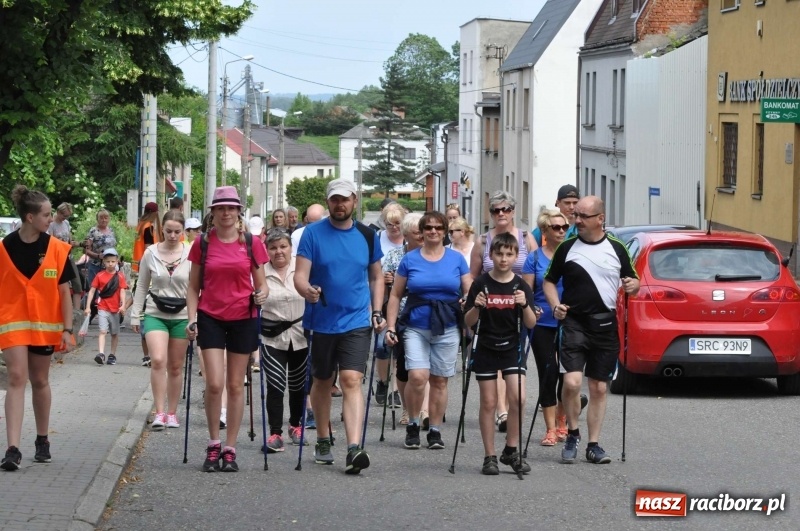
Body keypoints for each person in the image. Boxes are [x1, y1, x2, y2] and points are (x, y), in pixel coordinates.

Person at [294, 178, 385, 475]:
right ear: (328, 201)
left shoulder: (367, 235)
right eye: (334, 200)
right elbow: (300, 275)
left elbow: (375, 276)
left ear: (355, 201)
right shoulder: (312, 233)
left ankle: (353, 447)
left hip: (357, 319)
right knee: (321, 380)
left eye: (345, 199)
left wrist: (376, 309)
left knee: (350, 379)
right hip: (321, 320)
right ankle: (322, 437)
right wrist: (307, 290)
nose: (339, 204)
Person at [543, 195, 639, 465]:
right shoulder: (567, 248)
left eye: (584, 216)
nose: (578, 220)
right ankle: (572, 432)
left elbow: (633, 280)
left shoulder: (617, 248)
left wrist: (634, 285)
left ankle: (594, 444)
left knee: (598, 387)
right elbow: (549, 282)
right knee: (572, 382)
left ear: (600, 219)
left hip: (605, 324)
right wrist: (555, 306)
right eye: (576, 216)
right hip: (573, 322)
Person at [185, 186, 269, 472]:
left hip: (243, 316)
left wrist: (262, 295)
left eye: (231, 208)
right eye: (220, 208)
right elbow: (193, 286)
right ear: (213, 212)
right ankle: (213, 444)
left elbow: (262, 284)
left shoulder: (250, 242)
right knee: (214, 383)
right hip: (210, 316)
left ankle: (230, 448)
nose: (226, 213)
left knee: (236, 385)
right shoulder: (203, 243)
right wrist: (191, 317)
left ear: (238, 211)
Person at [0, 185, 76, 470]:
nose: (50, 218)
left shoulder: (56, 249)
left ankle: (42, 440)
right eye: (45, 214)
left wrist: (68, 330)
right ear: (30, 217)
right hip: (12, 324)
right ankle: (12, 448)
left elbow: (64, 292)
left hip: (46, 327)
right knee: (17, 378)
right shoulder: (3, 248)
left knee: (40, 380)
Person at [385, 211, 472, 451]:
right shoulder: (410, 259)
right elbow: (395, 295)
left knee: (440, 380)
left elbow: (469, 289)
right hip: (415, 325)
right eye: (429, 227)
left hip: (447, 325)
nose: (433, 231)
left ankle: (434, 429)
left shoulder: (456, 259)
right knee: (417, 376)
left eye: (438, 227)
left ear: (445, 231)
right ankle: (413, 423)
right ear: (422, 232)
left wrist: (468, 300)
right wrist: (390, 326)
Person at [465, 232, 538, 475]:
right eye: (499, 254)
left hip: (512, 346)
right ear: (491, 255)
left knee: (518, 398)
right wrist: (476, 305)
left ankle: (511, 449)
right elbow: (469, 321)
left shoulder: (521, 285)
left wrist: (525, 304)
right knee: (489, 402)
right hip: (486, 345)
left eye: (509, 254)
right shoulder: (481, 283)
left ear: (516, 256)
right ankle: (490, 455)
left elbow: (530, 324)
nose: (504, 259)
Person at [470, 191, 537, 434]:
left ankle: (510, 409)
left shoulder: (526, 238)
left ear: (513, 212)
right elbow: (473, 275)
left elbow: (534, 271)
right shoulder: (483, 241)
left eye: (505, 209)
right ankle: (502, 411)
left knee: (513, 359)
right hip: (490, 307)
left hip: (518, 307)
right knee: (493, 358)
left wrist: (529, 301)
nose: (501, 214)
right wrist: (472, 300)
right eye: (495, 210)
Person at [130, 211, 191, 431]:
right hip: (156, 312)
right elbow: (142, 285)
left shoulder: (191, 253)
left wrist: (196, 317)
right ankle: (159, 412)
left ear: (183, 231)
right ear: (161, 230)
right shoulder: (150, 253)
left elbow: (197, 288)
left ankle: (172, 412)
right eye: (169, 231)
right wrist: (136, 314)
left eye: (177, 231)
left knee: (175, 366)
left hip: (183, 315)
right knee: (157, 359)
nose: (173, 236)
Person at [522, 209, 570, 446]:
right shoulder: (534, 258)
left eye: (565, 227)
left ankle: (563, 421)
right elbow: (527, 291)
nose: (562, 231)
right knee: (548, 372)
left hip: (569, 323)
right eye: (556, 227)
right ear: (544, 231)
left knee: (567, 374)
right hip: (542, 323)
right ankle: (551, 428)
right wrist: (531, 310)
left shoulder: (573, 255)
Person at [262, 228, 309, 452]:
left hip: (301, 334)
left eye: (283, 246)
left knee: (298, 385)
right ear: (267, 250)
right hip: (272, 336)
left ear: (291, 248)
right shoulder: (260, 272)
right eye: (273, 247)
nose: (278, 251)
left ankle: (296, 426)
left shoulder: (302, 269)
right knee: (275, 384)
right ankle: (275, 433)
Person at [381, 213, 423, 426]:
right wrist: (386, 280)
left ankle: (424, 411)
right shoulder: (394, 256)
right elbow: (383, 288)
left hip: (427, 316)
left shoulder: (435, 255)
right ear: (407, 235)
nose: (423, 235)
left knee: (427, 369)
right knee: (404, 366)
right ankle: (407, 409)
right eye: (418, 232)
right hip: (402, 316)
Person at [374, 202, 405, 408]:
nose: (394, 228)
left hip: (403, 300)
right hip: (383, 297)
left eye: (397, 224)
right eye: (389, 224)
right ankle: (383, 381)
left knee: (397, 345)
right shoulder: (378, 239)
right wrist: (382, 277)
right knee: (381, 347)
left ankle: (395, 388)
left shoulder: (410, 239)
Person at [85, 248, 127, 365]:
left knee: (114, 333)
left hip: (115, 309)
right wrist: (88, 306)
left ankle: (112, 354)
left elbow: (122, 291)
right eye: (108, 261)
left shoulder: (120, 276)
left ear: (117, 261)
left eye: (113, 261)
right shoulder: (100, 275)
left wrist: (123, 305)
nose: (110, 264)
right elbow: (92, 291)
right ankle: (101, 353)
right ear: (104, 262)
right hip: (103, 307)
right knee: (103, 331)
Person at [47, 202, 83, 311]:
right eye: (64, 215)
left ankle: (76, 312)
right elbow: (51, 242)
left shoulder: (66, 223)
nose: (65, 218)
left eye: (67, 216)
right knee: (60, 285)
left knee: (77, 284)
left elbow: (70, 240)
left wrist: (79, 244)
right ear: (58, 212)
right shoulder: (51, 225)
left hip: (68, 256)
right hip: (57, 258)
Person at [83, 209, 117, 293]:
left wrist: (117, 260)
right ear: (97, 219)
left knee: (108, 290)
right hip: (96, 265)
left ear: (109, 219)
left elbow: (113, 248)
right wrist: (98, 256)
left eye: (106, 217)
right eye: (101, 217)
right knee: (94, 291)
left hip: (109, 266)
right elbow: (86, 250)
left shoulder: (111, 231)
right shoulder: (93, 231)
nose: (104, 220)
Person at [132, 202, 161, 273]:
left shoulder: (140, 225)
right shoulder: (148, 227)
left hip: (137, 261)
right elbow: (148, 249)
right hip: (145, 264)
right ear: (155, 213)